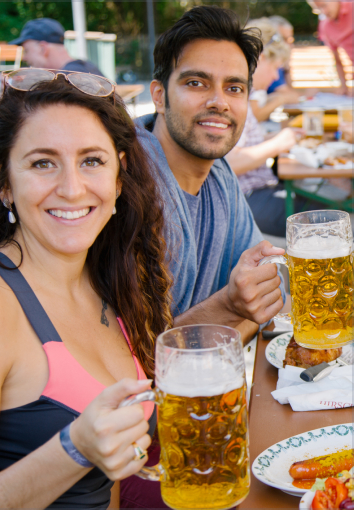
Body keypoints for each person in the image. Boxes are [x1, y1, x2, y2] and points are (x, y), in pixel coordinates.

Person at [0, 69, 173, 508]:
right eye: (42, 162)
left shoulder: (113, 280)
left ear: (119, 177)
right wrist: (74, 448)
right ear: (3, 179)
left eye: (92, 161)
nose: (71, 189)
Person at [120, 6, 287, 508]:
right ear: (158, 93)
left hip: (220, 416)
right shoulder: (127, 191)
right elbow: (133, 369)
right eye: (197, 82)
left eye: (234, 88)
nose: (219, 102)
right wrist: (234, 309)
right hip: (150, 456)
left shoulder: (216, 177)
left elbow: (266, 267)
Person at [226, 18, 325, 238]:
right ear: (260, 59)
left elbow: (245, 143)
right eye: (275, 69)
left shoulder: (244, 95)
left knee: (334, 210)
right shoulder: (236, 99)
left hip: (259, 191)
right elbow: (230, 163)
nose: (274, 77)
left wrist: (278, 137)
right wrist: (277, 143)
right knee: (339, 220)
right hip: (247, 198)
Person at [246, 18, 299, 122]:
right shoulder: (245, 88)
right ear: (261, 58)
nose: (276, 76)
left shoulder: (249, 88)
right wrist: (280, 98)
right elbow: (256, 116)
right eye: (275, 67)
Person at [10, 18, 104, 76]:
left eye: (26, 51)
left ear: (43, 48)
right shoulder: (86, 69)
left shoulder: (67, 80)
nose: (24, 57)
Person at [308, 1, 353, 96]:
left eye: (324, 6)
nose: (323, 11)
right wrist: (344, 87)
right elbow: (337, 60)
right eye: (318, 9)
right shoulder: (325, 26)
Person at [267, 15, 295, 93]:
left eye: (290, 40)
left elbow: (289, 92)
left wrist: (287, 68)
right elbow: (287, 95)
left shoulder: (280, 65)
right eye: (284, 39)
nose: (290, 45)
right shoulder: (268, 63)